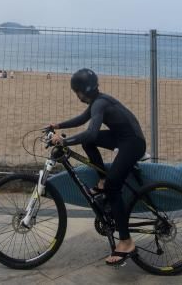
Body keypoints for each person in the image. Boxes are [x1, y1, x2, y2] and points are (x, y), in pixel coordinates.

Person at [49, 68, 147, 266]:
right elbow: (83, 119)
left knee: (113, 188)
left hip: (132, 143)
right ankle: (102, 178)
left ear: (80, 91)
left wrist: (65, 142)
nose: (76, 95)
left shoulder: (99, 103)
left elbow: (92, 132)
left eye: (76, 92)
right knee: (87, 143)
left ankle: (126, 242)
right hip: (122, 137)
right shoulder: (98, 101)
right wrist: (57, 125)